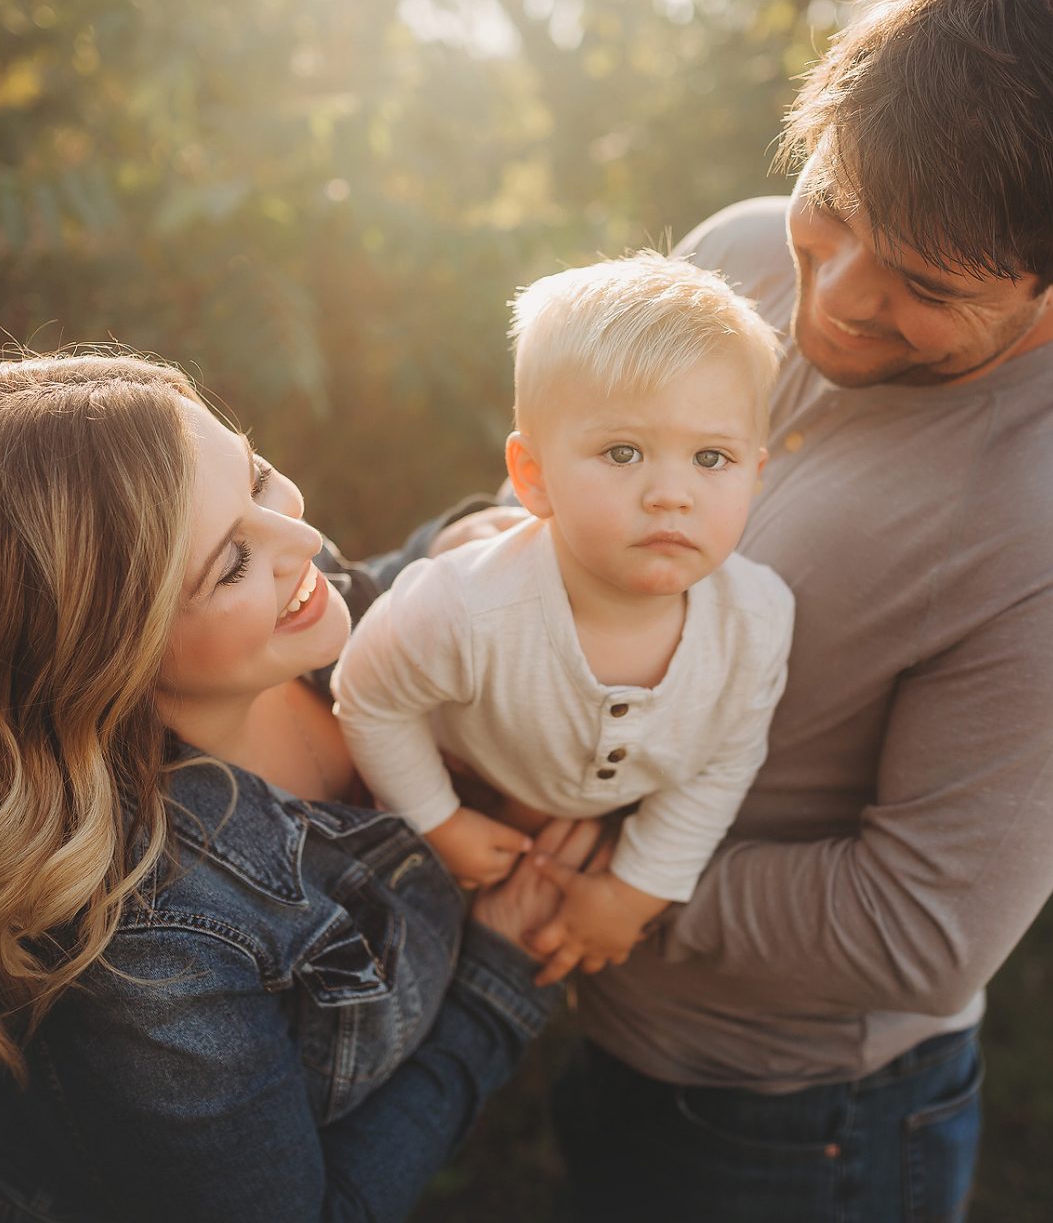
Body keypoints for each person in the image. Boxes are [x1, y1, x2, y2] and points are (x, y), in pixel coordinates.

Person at [415, 0, 1053, 1218]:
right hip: (601, 1035)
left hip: (795, 1131)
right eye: (830, 209)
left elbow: (920, 929)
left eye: (928, 285)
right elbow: (571, 499)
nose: (833, 295)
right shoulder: (736, 254)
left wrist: (602, 870)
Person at [0, 352, 602, 1222]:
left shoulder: (279, 618)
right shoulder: (151, 951)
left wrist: (467, 546)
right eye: (231, 564)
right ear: (110, 658)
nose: (303, 541)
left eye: (261, 478)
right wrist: (499, 978)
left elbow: (376, 587)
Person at [331, 253, 794, 984]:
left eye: (711, 457)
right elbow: (368, 696)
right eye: (623, 451)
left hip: (595, 834)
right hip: (470, 783)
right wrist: (437, 819)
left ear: (756, 474)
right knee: (397, 964)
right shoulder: (465, 603)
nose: (671, 493)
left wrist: (633, 893)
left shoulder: (758, 619)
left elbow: (721, 764)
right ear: (533, 477)